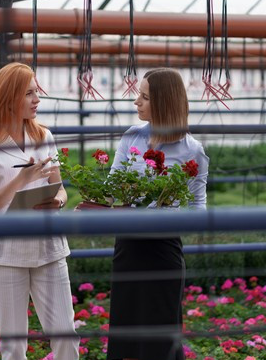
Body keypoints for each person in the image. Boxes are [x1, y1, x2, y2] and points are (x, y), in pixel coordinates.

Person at [0, 62, 79, 360]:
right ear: (9, 97)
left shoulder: (45, 136)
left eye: (36, 92)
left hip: (48, 245)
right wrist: (22, 179)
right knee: (14, 345)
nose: (37, 99)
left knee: (66, 335)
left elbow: (61, 189)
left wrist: (58, 202)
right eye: (29, 93)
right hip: (3, 251)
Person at [106, 68, 209, 360]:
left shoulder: (193, 151)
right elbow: (111, 186)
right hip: (128, 245)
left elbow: (199, 208)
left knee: (161, 334)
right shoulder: (131, 137)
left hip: (164, 248)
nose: (136, 101)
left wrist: (169, 211)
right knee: (125, 327)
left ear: (163, 102)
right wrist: (97, 202)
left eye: (144, 97)